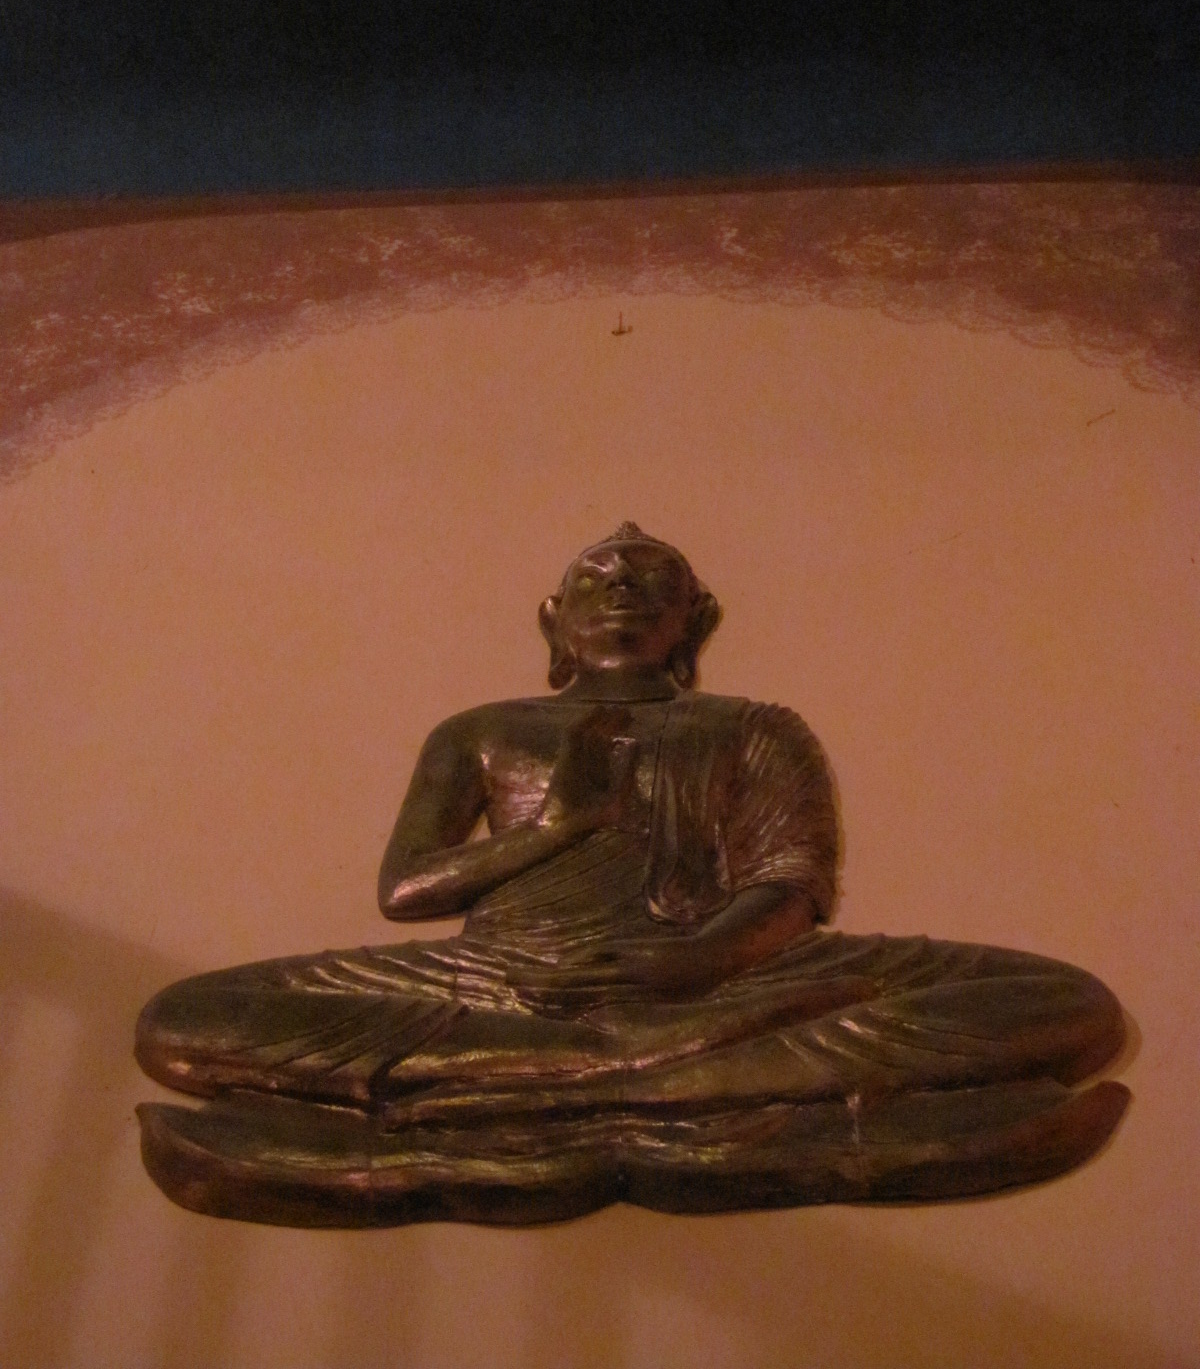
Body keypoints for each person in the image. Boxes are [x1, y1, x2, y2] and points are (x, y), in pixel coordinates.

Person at [136, 524, 1128, 1226]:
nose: (622, 588)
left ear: (693, 617)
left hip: (718, 982)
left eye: (653, 579)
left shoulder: (752, 726)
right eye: (597, 577)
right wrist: (559, 826)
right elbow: (408, 892)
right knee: (185, 1020)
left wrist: (699, 962)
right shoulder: (481, 730)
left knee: (1062, 1002)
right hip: (499, 982)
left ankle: (516, 1094)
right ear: (553, 619)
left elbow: (788, 884)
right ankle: (684, 1087)